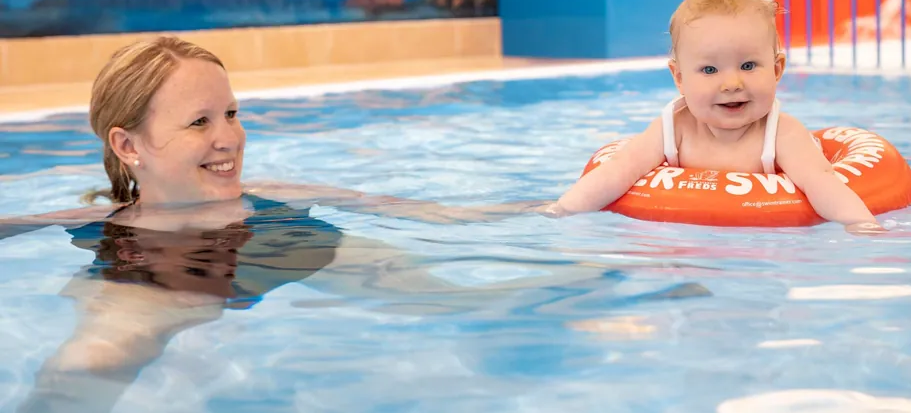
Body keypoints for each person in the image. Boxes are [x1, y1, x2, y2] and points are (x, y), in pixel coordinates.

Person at [0, 35, 555, 412]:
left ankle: (567, 291)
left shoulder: (279, 202)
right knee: (90, 363)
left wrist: (549, 211)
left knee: (446, 296)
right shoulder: (107, 223)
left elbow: (432, 215)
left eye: (232, 114)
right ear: (128, 145)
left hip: (272, 243)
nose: (229, 138)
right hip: (154, 269)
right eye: (199, 122)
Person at [543, 0, 887, 235]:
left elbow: (822, 183)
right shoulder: (673, 126)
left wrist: (861, 225)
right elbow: (617, 171)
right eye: (709, 70)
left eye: (749, 66)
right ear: (679, 78)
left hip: (763, 252)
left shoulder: (782, 134)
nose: (731, 83)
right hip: (685, 250)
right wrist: (562, 210)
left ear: (777, 70)